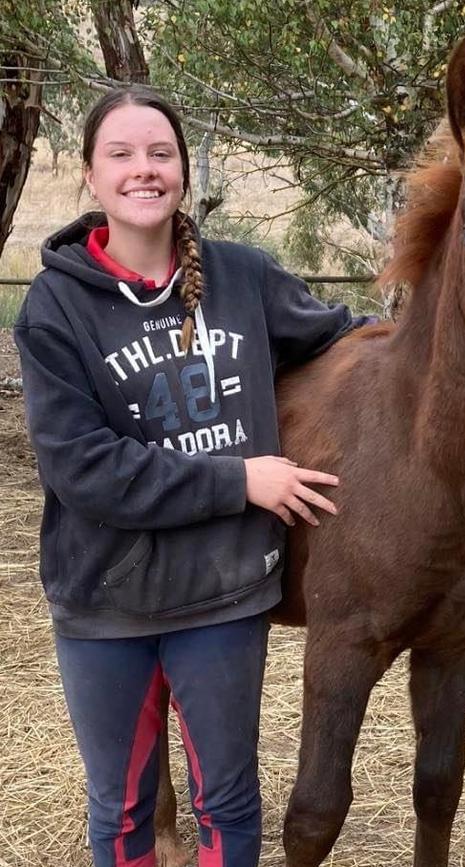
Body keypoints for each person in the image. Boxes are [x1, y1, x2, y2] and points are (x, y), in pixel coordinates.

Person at [14, 86, 374, 867]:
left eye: (160, 153)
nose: (143, 169)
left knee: (229, 806)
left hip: (223, 595)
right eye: (122, 154)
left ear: (181, 170)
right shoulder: (54, 309)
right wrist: (240, 480)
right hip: (107, 602)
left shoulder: (243, 278)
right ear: (89, 175)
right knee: (123, 810)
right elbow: (84, 469)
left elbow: (346, 339)